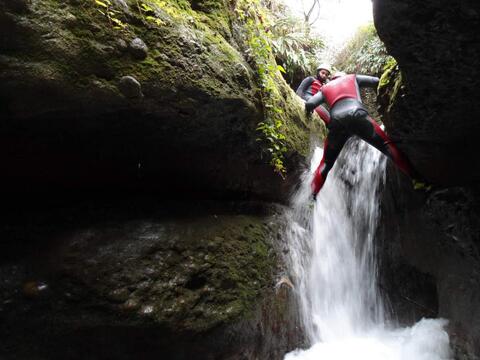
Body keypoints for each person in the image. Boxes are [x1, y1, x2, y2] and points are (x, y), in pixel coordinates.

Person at [305, 71, 417, 198]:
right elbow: (376, 81)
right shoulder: (352, 78)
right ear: (343, 76)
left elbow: (310, 104)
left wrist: (308, 112)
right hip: (358, 115)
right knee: (386, 145)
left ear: (332, 79)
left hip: (337, 123)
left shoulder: (325, 88)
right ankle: (416, 178)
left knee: (326, 163)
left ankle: (312, 195)